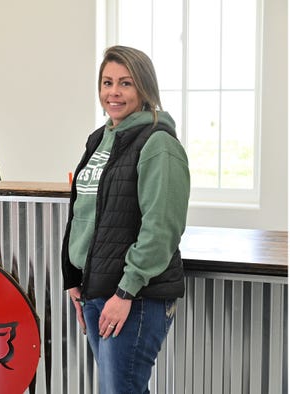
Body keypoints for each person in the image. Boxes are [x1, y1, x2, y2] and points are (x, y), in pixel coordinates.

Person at [61, 45, 190, 393]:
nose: (113, 93)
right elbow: (84, 214)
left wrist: (125, 292)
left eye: (125, 83)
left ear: (144, 88)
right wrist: (74, 278)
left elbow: (161, 228)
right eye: (106, 82)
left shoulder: (158, 143)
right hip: (95, 290)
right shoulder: (100, 139)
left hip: (133, 297)